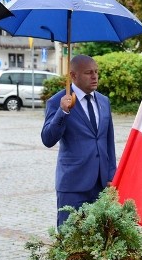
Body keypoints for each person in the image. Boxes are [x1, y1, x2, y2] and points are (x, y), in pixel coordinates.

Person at [41, 55, 116, 227]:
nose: (95, 77)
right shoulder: (57, 101)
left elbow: (108, 141)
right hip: (73, 185)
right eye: (89, 73)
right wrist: (63, 112)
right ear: (73, 76)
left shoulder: (104, 101)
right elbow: (47, 139)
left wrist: (112, 174)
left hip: (101, 185)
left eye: (96, 72)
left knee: (100, 242)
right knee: (69, 241)